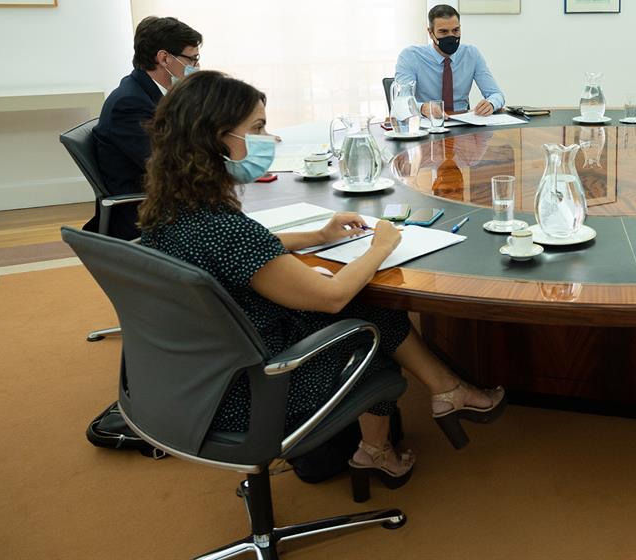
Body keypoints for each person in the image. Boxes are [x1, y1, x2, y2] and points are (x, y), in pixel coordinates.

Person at [137, 71, 506, 487]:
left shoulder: (175, 209)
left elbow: (242, 248)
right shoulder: (225, 228)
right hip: (251, 392)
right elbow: (332, 296)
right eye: (257, 128)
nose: (268, 139)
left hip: (196, 378)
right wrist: (381, 246)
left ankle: (445, 390)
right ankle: (381, 449)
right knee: (365, 324)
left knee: (365, 308)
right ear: (213, 137)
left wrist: (316, 236)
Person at [89, 16, 203, 239]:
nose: (197, 66)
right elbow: (167, 165)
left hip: (170, 197)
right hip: (148, 212)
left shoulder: (154, 92)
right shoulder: (129, 104)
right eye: (193, 59)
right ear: (164, 58)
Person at [395, 4, 505, 116]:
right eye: (443, 32)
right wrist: (423, 108)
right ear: (430, 33)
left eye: (456, 30)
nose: (451, 36)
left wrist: (491, 104)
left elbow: (496, 94)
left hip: (463, 124)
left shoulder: (471, 54)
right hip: (427, 125)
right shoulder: (410, 56)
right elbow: (402, 101)